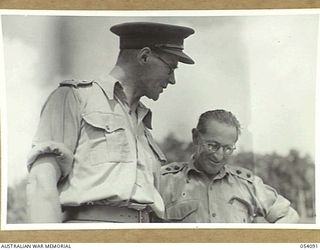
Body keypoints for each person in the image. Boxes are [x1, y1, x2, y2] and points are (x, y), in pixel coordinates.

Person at [26, 22, 195, 223]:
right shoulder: (75, 98)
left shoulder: (143, 127)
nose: (173, 79)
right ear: (144, 56)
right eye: (171, 68)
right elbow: (41, 183)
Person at [159, 109, 300, 223]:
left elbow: (289, 216)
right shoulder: (164, 181)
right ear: (196, 137)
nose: (219, 155)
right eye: (212, 146)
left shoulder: (247, 184)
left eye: (227, 148)